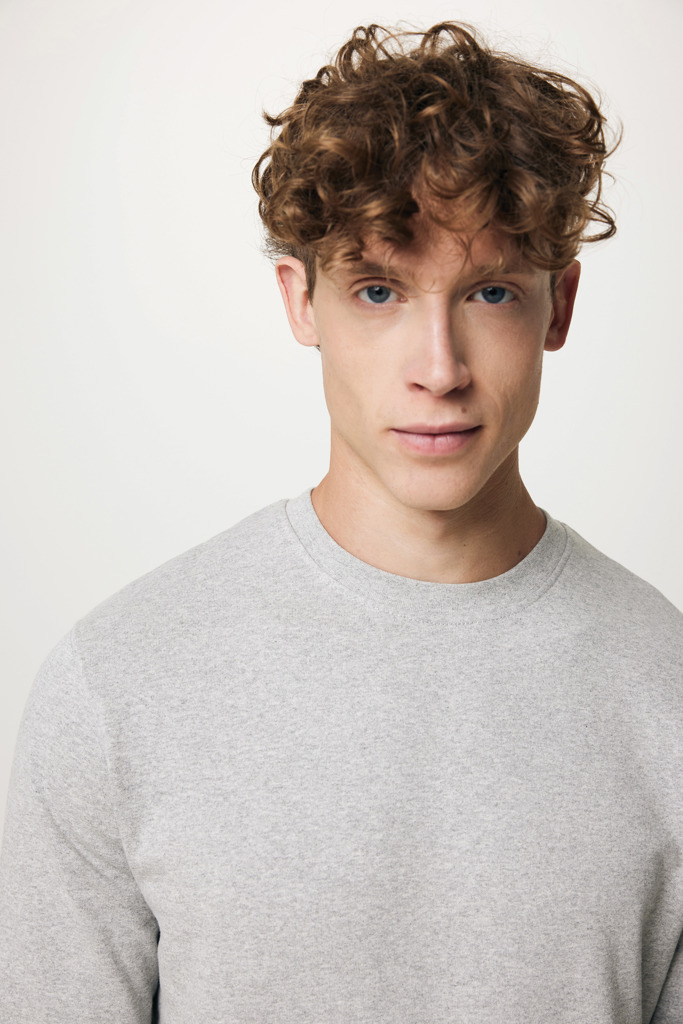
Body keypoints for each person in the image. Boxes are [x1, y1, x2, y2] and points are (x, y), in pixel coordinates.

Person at [1, 20, 681, 1024]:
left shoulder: (665, 693)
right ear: (300, 301)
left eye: (490, 291)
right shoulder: (119, 685)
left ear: (558, 306)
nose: (438, 368)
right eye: (377, 291)